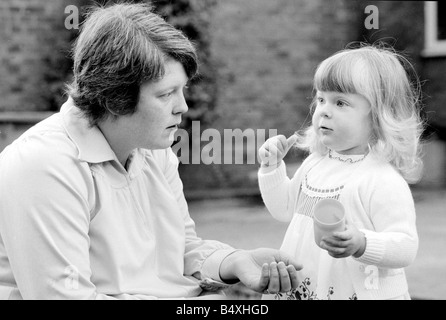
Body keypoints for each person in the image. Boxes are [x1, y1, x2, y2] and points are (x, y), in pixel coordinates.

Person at [0, 3, 302, 300]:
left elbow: (182, 249)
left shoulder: (153, 149)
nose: (182, 106)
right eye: (166, 94)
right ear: (115, 97)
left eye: (182, 89)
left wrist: (233, 262)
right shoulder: (42, 167)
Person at [258, 44, 423, 300]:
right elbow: (283, 209)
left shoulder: (381, 179)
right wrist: (271, 168)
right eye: (321, 99)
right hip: (308, 288)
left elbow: (406, 247)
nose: (324, 109)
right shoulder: (315, 163)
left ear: (379, 116)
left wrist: (362, 243)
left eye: (341, 102)